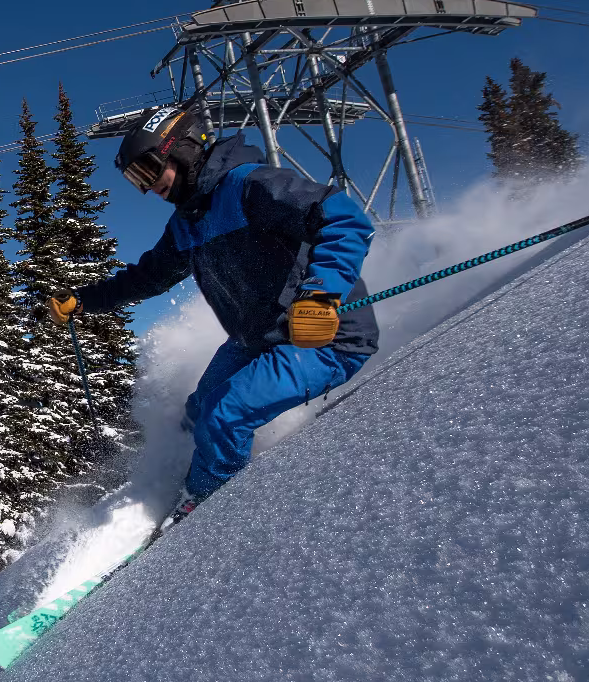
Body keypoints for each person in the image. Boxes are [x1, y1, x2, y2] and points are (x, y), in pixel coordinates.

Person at [48, 105, 377, 511]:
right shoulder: (188, 221)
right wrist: (85, 300)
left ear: (183, 149)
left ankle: (205, 509)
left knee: (224, 414)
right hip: (257, 339)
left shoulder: (248, 185)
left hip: (322, 338)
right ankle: (181, 472)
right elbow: (148, 277)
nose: (149, 187)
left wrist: (321, 295)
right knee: (198, 409)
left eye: (149, 170)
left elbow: (343, 218)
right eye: (137, 180)